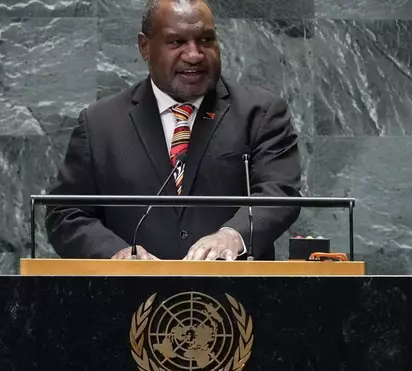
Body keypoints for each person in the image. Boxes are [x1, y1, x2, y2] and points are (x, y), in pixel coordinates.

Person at [45, 0, 302, 261]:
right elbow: (65, 213)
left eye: (205, 40)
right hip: (128, 296)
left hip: (236, 296)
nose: (194, 55)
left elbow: (279, 192)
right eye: (176, 42)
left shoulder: (260, 113)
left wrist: (233, 235)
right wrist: (116, 254)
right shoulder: (100, 123)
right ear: (145, 47)